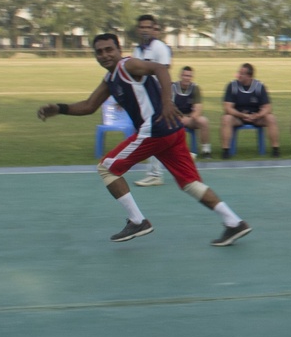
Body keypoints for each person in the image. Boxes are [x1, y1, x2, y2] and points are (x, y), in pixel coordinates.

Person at [36, 33, 251, 246]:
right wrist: (60, 109)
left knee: (107, 168)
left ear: (119, 51)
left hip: (155, 130)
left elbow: (159, 68)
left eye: (109, 50)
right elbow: (89, 105)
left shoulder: (128, 66)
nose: (105, 55)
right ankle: (234, 222)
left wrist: (167, 102)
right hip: (171, 132)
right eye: (99, 52)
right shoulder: (110, 78)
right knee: (189, 183)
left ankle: (138, 221)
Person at [132, 14, 172, 186]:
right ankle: (181, 155)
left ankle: (155, 174)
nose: (145, 30)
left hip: (157, 97)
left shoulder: (159, 48)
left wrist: (165, 101)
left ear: (154, 28)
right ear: (138, 29)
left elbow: (165, 73)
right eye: (142, 27)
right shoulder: (138, 50)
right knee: (156, 134)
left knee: (152, 134)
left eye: (148, 27)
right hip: (144, 98)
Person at [221, 63, 280, 158]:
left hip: (256, 117)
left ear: (249, 76)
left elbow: (268, 107)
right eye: (239, 72)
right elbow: (227, 108)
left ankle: (275, 149)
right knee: (226, 118)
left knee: (271, 118)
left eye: (241, 73)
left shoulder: (259, 86)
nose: (238, 75)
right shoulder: (232, 86)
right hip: (238, 117)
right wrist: (241, 115)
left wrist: (257, 115)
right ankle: (226, 151)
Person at [173, 65, 212, 159]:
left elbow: (198, 108)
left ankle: (206, 150)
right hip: (175, 118)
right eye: (185, 76)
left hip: (190, 118)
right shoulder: (172, 87)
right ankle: (171, 151)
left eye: (189, 76)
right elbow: (169, 106)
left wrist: (189, 118)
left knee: (204, 121)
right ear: (180, 76)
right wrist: (180, 118)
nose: (187, 78)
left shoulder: (195, 88)